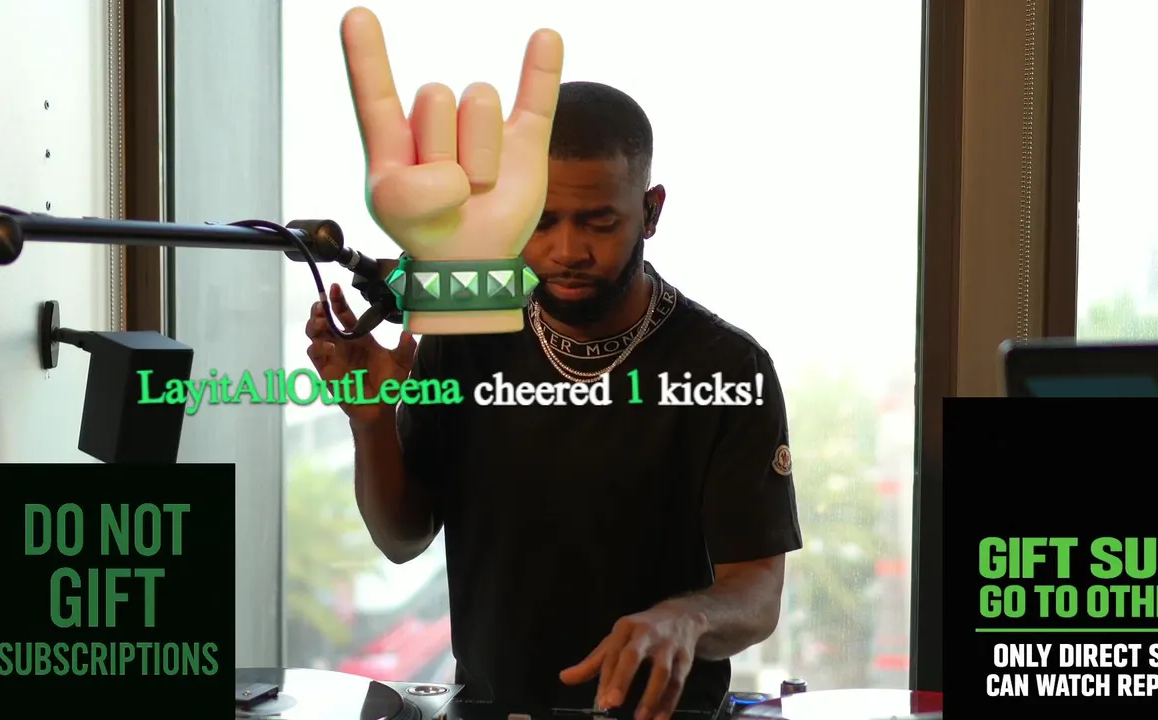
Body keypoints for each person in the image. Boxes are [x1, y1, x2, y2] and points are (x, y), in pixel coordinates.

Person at [306, 10, 801, 718]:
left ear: (651, 211)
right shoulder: (467, 337)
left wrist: (686, 618)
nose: (568, 250)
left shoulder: (727, 366)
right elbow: (402, 537)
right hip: (488, 709)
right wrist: (371, 419)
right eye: (541, 220)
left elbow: (756, 593)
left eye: (600, 222)